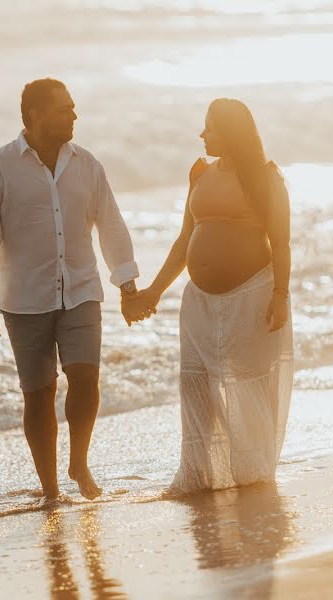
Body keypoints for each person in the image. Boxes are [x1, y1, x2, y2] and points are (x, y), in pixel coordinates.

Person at [0, 78, 145, 500]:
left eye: (74, 107)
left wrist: (126, 283)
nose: (74, 115)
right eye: (65, 109)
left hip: (81, 290)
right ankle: (49, 489)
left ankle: (78, 461)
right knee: (39, 394)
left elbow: (111, 223)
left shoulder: (87, 164)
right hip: (24, 299)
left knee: (86, 378)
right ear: (36, 115)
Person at [125, 98, 294, 491]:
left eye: (211, 127)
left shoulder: (267, 178)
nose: (202, 135)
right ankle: (198, 476)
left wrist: (280, 295)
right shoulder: (199, 173)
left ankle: (251, 477)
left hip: (251, 295)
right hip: (199, 303)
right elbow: (185, 240)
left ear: (232, 131)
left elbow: (281, 243)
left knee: (244, 384)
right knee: (197, 386)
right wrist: (154, 291)